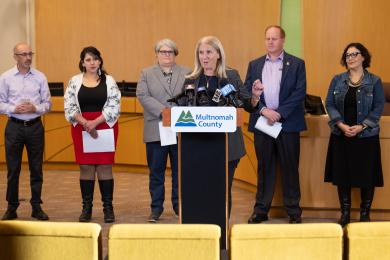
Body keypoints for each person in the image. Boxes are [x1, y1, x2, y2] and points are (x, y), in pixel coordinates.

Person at [185, 36, 262, 217]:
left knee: (222, 190)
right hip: (198, 146)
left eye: (209, 52)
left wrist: (255, 97)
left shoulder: (231, 76)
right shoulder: (191, 79)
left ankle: (221, 236)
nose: (205, 57)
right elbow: (183, 108)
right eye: (201, 53)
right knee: (202, 191)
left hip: (227, 146)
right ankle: (203, 232)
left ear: (218, 54)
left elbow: (246, 104)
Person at [245, 25, 307, 224]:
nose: (270, 42)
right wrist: (264, 111)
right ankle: (261, 210)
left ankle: (294, 211)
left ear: (283, 40)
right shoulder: (254, 64)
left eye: (274, 38)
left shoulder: (297, 64)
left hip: (287, 124)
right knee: (265, 168)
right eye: (267, 38)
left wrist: (278, 113)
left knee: (290, 168)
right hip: (263, 123)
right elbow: (248, 92)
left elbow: (299, 92)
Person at [324, 43, 384, 227]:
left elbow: (378, 107)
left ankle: (365, 214)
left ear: (363, 57)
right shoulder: (337, 80)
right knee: (343, 175)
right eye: (347, 55)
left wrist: (361, 126)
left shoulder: (374, 81)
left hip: (366, 137)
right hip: (341, 135)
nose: (350, 58)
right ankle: (345, 214)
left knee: (367, 176)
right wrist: (341, 125)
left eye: (354, 54)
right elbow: (329, 103)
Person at [64, 46, 121, 223]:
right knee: (86, 167)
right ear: (82, 63)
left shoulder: (109, 80)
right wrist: (84, 123)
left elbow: (115, 104)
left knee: (104, 166)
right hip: (81, 127)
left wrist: (94, 122)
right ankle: (86, 208)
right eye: (88, 60)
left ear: (100, 61)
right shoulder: (74, 81)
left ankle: (108, 209)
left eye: (95, 59)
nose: (92, 63)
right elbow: (69, 105)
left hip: (105, 125)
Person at [136, 39, 191, 222]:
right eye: (162, 51)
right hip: (155, 129)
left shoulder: (187, 73)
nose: (166, 54)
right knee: (156, 172)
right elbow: (142, 95)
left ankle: (179, 207)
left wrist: (174, 113)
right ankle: (156, 208)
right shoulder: (146, 73)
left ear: (175, 54)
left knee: (180, 172)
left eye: (170, 52)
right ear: (156, 54)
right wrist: (164, 111)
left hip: (179, 129)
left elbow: (191, 97)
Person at [0, 43, 51, 221]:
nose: (28, 58)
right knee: (13, 169)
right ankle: (11, 207)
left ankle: (36, 206)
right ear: (15, 57)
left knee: (36, 169)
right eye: (23, 54)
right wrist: (14, 108)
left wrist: (35, 107)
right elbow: (0, 103)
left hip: (35, 127)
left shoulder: (40, 77)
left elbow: (48, 104)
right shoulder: (5, 77)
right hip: (14, 127)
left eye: (30, 54)